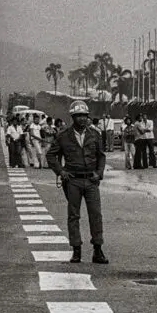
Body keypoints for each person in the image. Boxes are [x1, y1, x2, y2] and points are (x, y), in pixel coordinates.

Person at [47, 100, 108, 264]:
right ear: (73, 117)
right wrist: (61, 172)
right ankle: (76, 250)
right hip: (72, 180)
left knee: (96, 215)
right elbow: (51, 155)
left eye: (84, 115)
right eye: (78, 115)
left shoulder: (94, 135)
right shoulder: (63, 136)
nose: (82, 119)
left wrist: (99, 173)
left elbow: (101, 156)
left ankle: (98, 249)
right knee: (73, 216)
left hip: (91, 180)